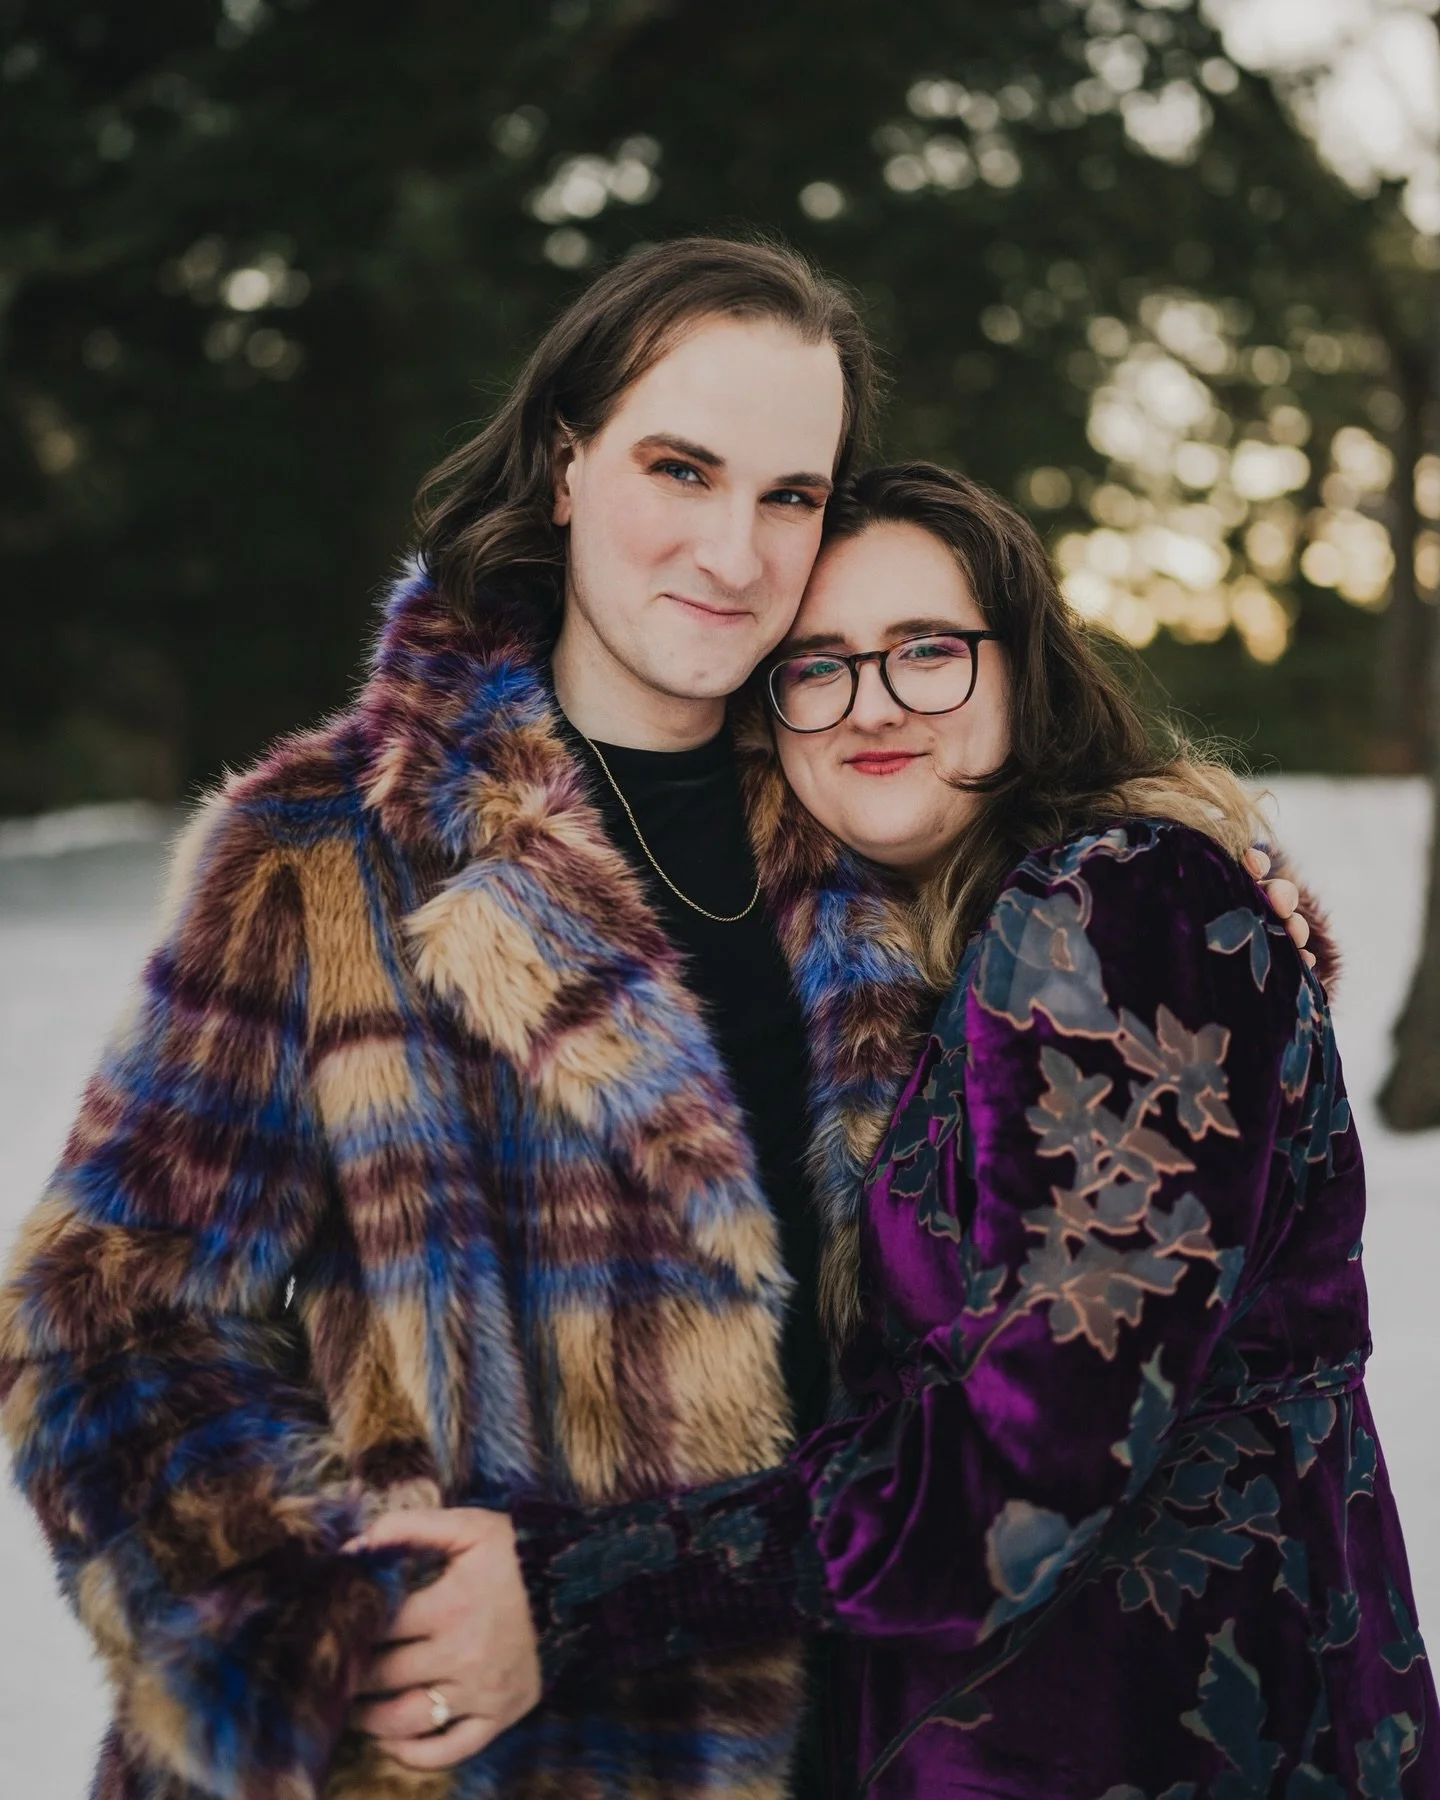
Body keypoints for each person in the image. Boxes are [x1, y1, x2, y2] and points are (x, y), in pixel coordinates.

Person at [0, 239, 1308, 1800]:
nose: (737, 552)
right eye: (678, 468)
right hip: (509, 1758)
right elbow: (103, 1309)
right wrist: (340, 1636)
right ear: (564, 464)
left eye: (790, 495)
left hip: (879, 1738)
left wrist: (1230, 897)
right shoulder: (323, 851)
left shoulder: (876, 824)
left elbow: (1119, 1141)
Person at [366, 463, 1438, 1799]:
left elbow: (1026, 1464)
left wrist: (574, 1590)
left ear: (1026, 669)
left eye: (927, 651)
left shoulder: (1120, 903)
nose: (870, 704)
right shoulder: (940, 957)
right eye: (816, 665)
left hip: (1189, 1741)